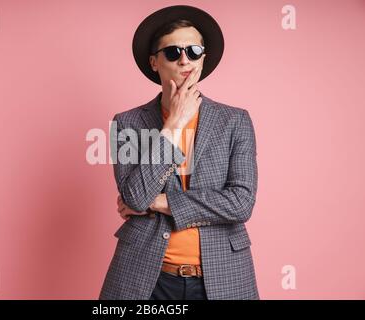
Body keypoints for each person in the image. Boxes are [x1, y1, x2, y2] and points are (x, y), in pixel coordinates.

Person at [99, 5, 259, 300]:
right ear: (154, 62)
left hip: (224, 274)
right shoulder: (127, 123)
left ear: (203, 58)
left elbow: (240, 203)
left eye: (194, 50)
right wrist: (174, 123)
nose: (185, 59)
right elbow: (134, 197)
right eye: (173, 52)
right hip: (147, 276)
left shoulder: (235, 120)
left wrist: (158, 202)